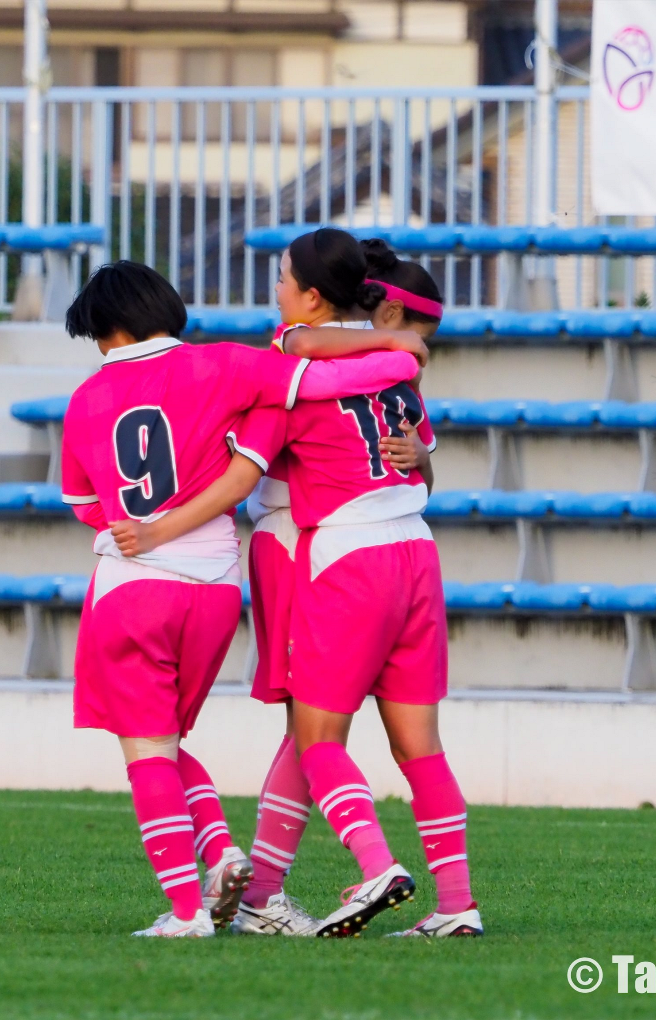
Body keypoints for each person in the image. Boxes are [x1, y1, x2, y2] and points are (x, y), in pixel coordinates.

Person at [113, 231, 481, 938]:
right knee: (415, 744)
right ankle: (451, 904)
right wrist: (408, 355)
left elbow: (244, 466)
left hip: (327, 551)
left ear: (313, 296)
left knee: (314, 732)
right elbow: (420, 461)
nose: (275, 288)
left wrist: (161, 530)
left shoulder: (290, 365)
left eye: (283, 278)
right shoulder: (392, 365)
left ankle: (374, 865)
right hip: (413, 547)